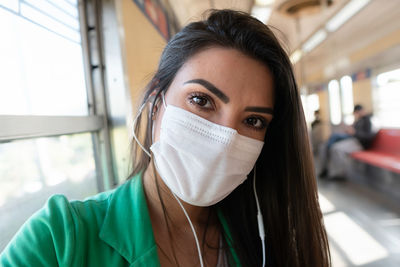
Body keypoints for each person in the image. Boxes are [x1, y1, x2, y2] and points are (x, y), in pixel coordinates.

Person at [0, 10, 331, 267]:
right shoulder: (61, 237)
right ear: (157, 104)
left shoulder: (264, 237)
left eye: (253, 120)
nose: (226, 139)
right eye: (201, 100)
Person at [319, 104, 375, 179]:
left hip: (360, 143)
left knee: (336, 149)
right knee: (325, 146)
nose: (356, 115)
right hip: (353, 140)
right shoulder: (359, 120)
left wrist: (354, 133)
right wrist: (349, 131)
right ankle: (330, 170)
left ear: (361, 111)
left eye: (357, 112)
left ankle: (339, 173)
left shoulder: (367, 120)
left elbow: (368, 136)